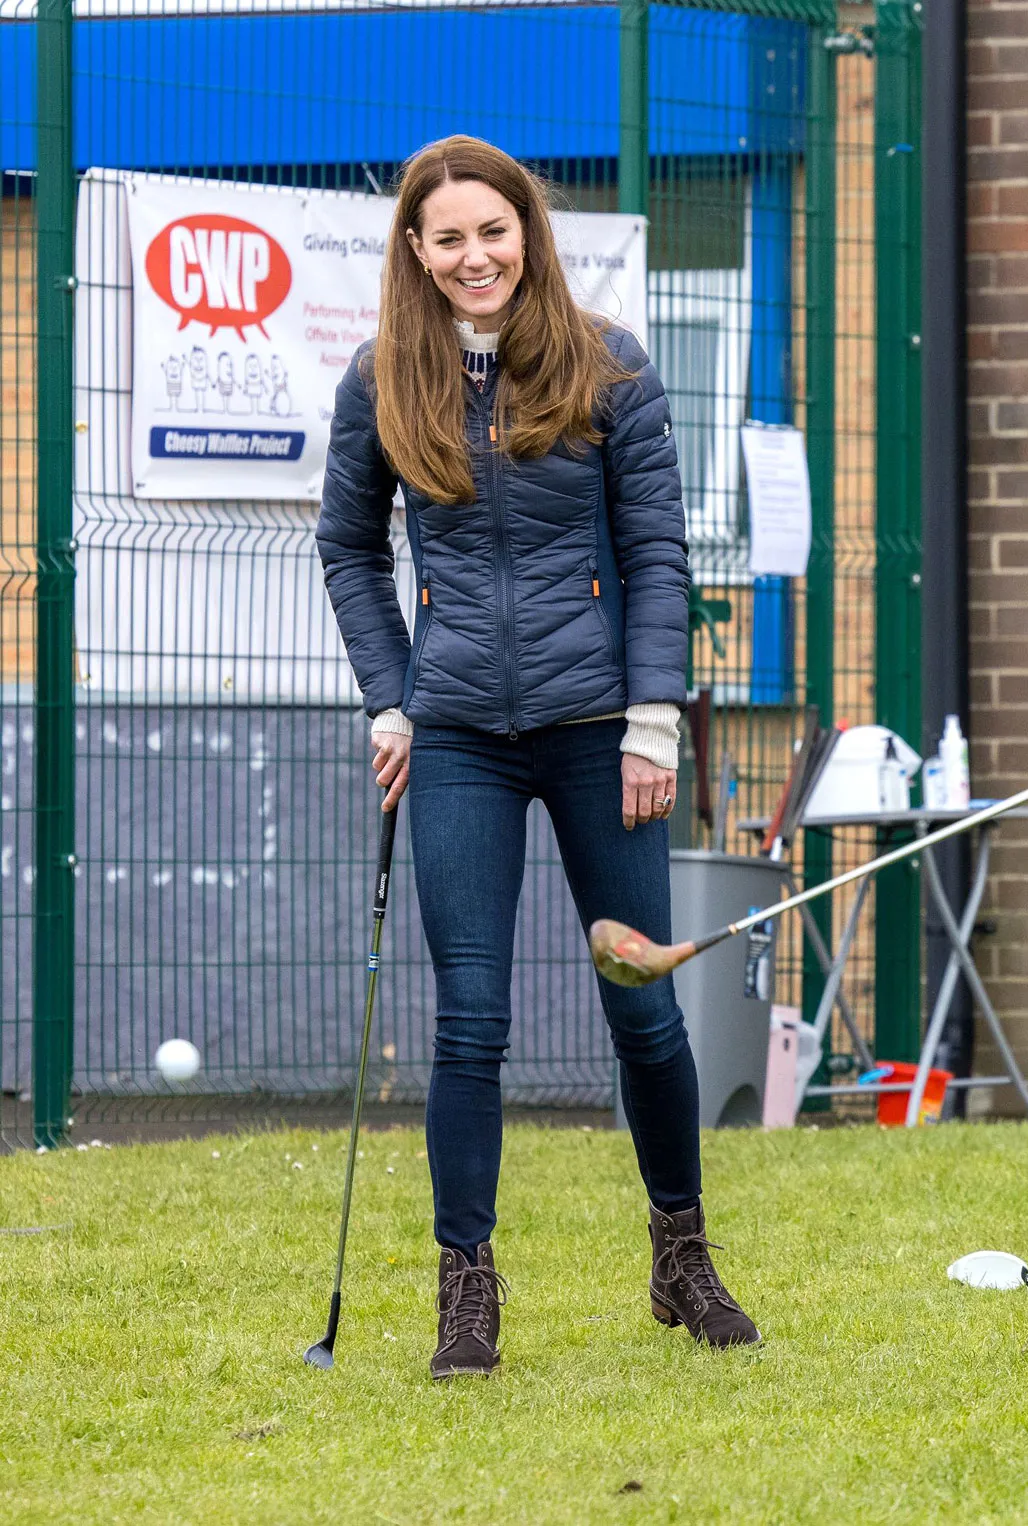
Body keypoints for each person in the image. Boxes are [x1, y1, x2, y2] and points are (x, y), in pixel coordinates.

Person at [316, 135, 759, 1380]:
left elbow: (659, 554)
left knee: (645, 1009)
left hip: (595, 730)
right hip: (453, 732)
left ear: (528, 233)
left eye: (492, 232)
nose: (474, 257)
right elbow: (348, 549)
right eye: (447, 238)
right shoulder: (378, 379)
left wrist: (653, 718)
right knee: (470, 1020)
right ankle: (469, 1291)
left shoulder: (609, 363)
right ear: (417, 251)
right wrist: (389, 700)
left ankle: (682, 1255)